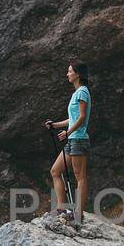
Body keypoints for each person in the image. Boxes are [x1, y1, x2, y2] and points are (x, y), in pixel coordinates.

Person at [45, 61, 91, 222]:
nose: (67, 74)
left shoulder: (82, 92)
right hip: (72, 139)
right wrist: (55, 125)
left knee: (80, 177)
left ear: (77, 74)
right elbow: (72, 119)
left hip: (78, 139)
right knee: (55, 172)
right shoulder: (77, 92)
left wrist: (68, 132)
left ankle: (78, 213)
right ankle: (61, 207)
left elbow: (82, 117)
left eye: (70, 71)